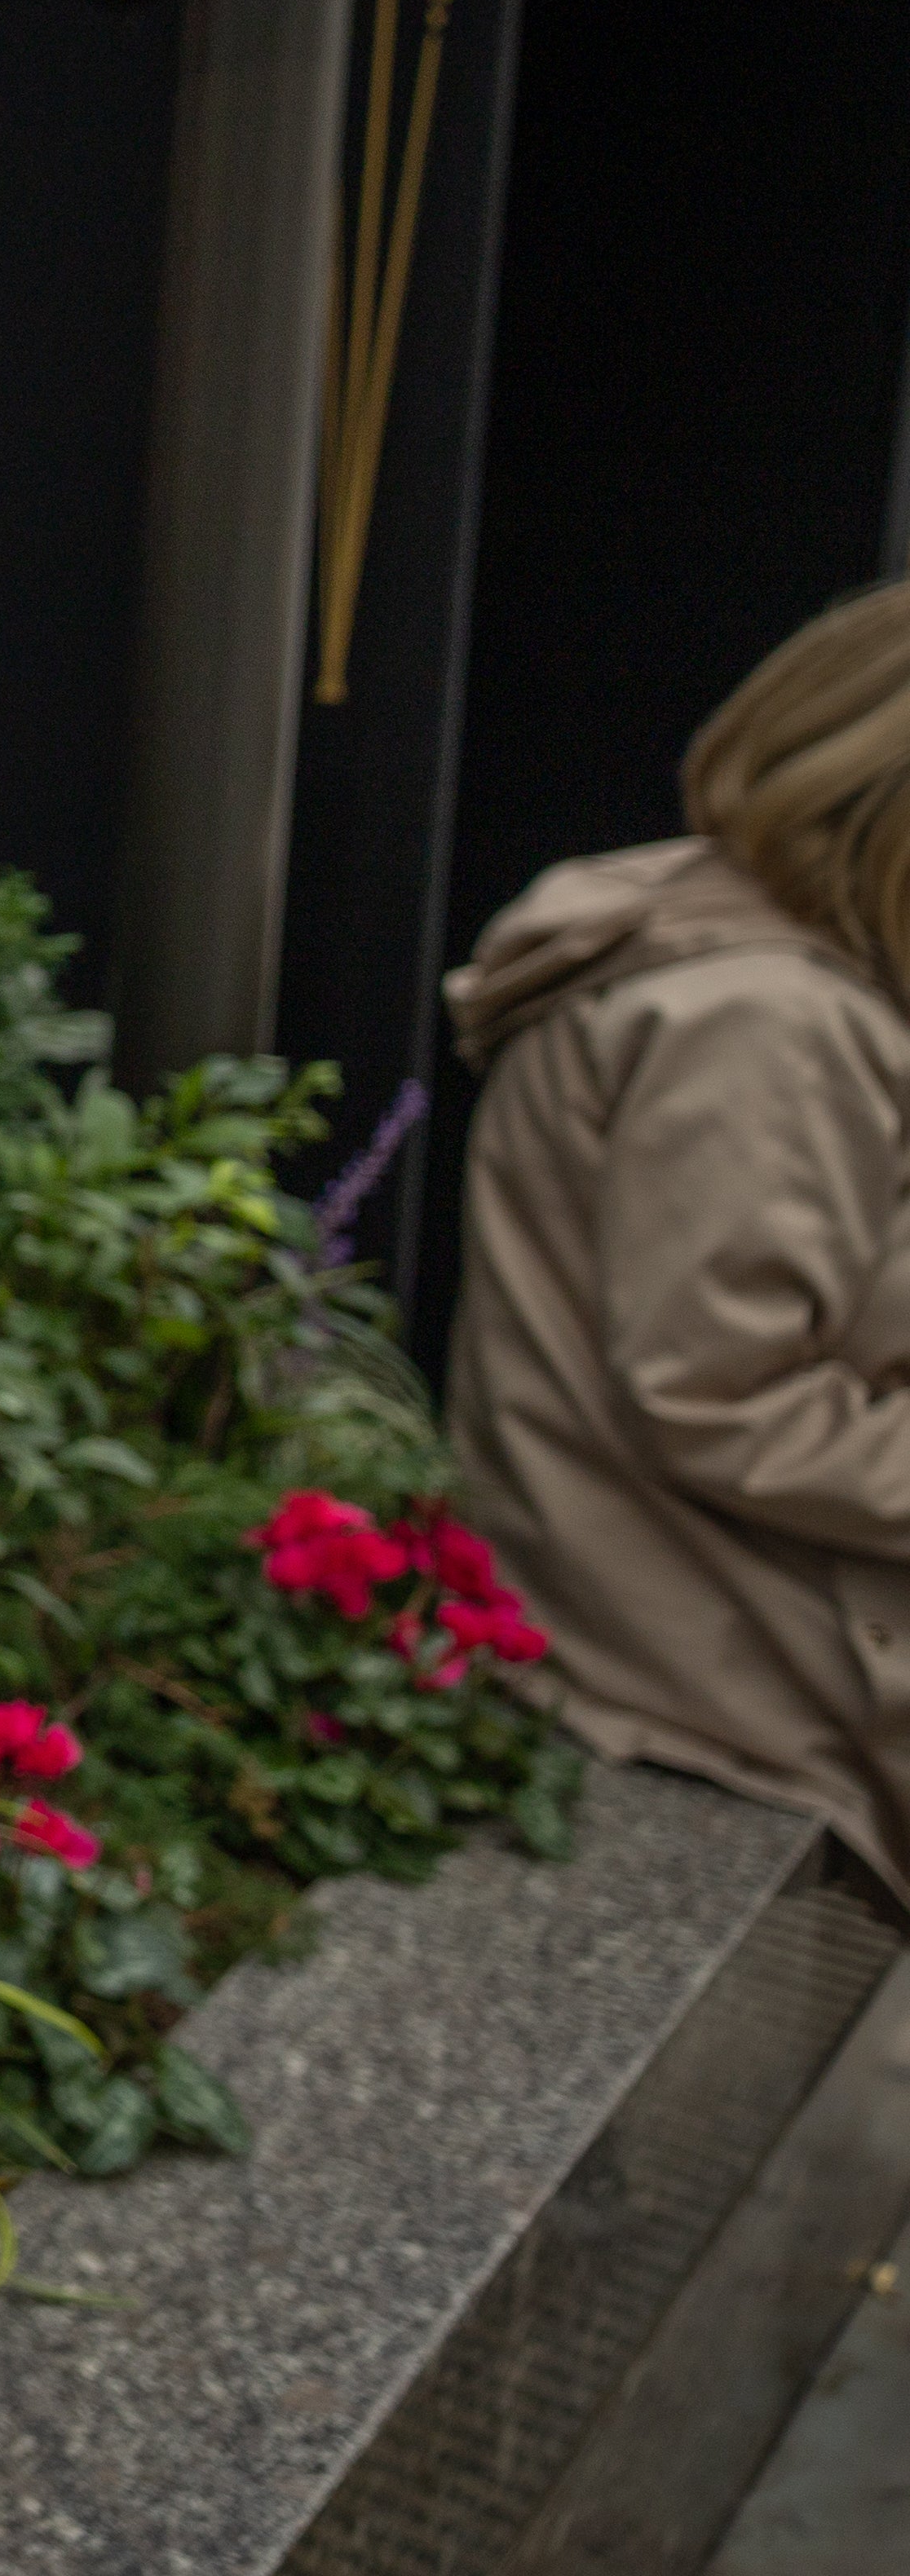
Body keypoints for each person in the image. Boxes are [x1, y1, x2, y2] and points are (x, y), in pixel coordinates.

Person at [448, 580, 910, 1903]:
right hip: (738, 1698)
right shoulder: (767, 1024)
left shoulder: (734, 951)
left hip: (722, 1674)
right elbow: (725, 1394)